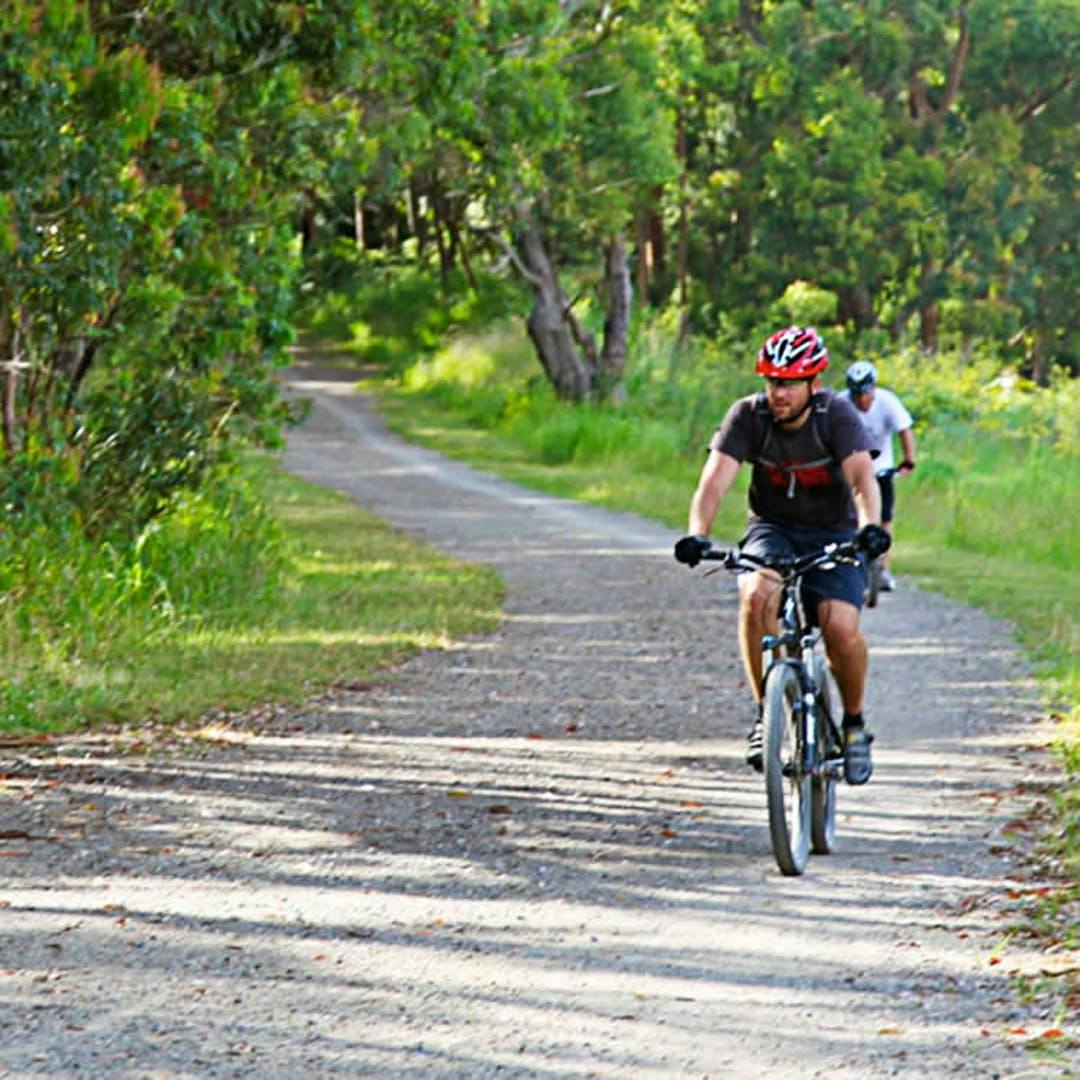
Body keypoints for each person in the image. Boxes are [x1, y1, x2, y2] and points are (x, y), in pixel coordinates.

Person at [673, 326, 890, 785]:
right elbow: (713, 481)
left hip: (833, 533)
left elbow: (861, 479)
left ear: (814, 383)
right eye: (772, 381)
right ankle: (766, 714)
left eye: (790, 382)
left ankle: (853, 725)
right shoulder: (747, 417)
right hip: (773, 530)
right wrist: (697, 533)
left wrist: (871, 527)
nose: (778, 392)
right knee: (756, 597)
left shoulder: (837, 416)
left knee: (839, 629)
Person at [843, 360, 916, 591]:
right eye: (856, 396)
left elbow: (904, 431)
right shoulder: (841, 404)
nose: (861, 401)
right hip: (851, 466)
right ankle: (849, 564)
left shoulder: (887, 402)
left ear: (873, 388)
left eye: (865, 394)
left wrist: (908, 460)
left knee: (885, 518)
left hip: (881, 466)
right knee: (847, 515)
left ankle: (883, 569)